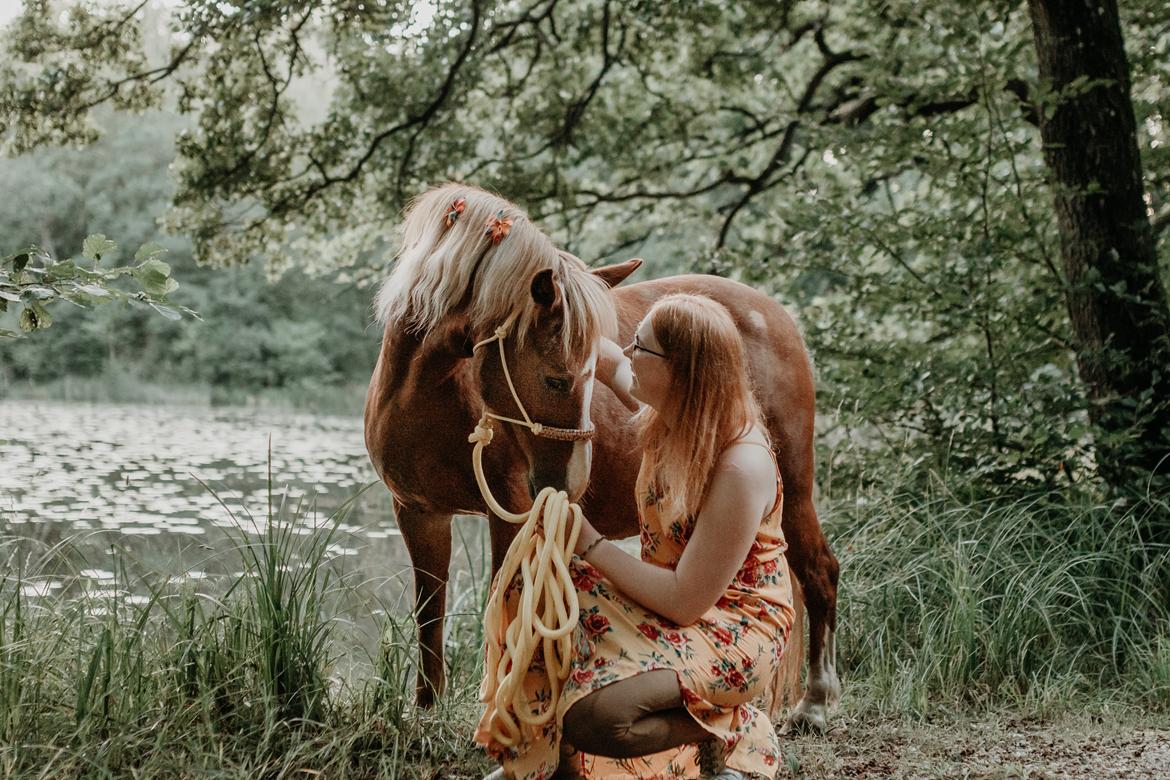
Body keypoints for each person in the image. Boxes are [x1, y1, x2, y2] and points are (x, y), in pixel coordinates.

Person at [476, 293, 795, 780]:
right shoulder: (670, 411)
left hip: (733, 625)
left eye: (641, 347)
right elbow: (601, 354)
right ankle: (545, 759)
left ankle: (731, 729)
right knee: (534, 588)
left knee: (599, 720)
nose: (628, 353)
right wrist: (533, 310)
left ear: (683, 370)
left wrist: (589, 542)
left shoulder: (741, 466)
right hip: (673, 604)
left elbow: (685, 601)